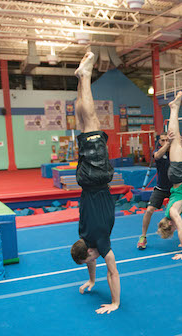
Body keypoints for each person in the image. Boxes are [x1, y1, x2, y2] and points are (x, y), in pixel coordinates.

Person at [69, 52, 120, 315]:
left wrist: (115, 303)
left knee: (91, 122)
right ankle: (81, 82)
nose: (93, 261)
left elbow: (113, 271)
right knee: (82, 125)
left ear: (89, 251)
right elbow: (93, 261)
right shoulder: (84, 235)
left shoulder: (99, 241)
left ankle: (85, 77)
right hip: (86, 180)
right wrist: (91, 280)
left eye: (89, 260)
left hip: (98, 177)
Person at [137, 133, 182, 250]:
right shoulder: (159, 152)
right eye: (163, 140)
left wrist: (181, 146)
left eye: (167, 139)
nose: (166, 141)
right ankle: (143, 236)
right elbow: (156, 156)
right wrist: (168, 144)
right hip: (161, 188)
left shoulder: (176, 152)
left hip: (175, 190)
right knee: (149, 210)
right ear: (160, 142)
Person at [155, 91, 182, 260]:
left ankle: (174, 109)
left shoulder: (172, 213)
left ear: (170, 225)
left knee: (175, 140)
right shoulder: (170, 214)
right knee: (176, 140)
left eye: (172, 229)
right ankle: (174, 109)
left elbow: (180, 227)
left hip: (177, 175)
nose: (176, 229)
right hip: (177, 178)